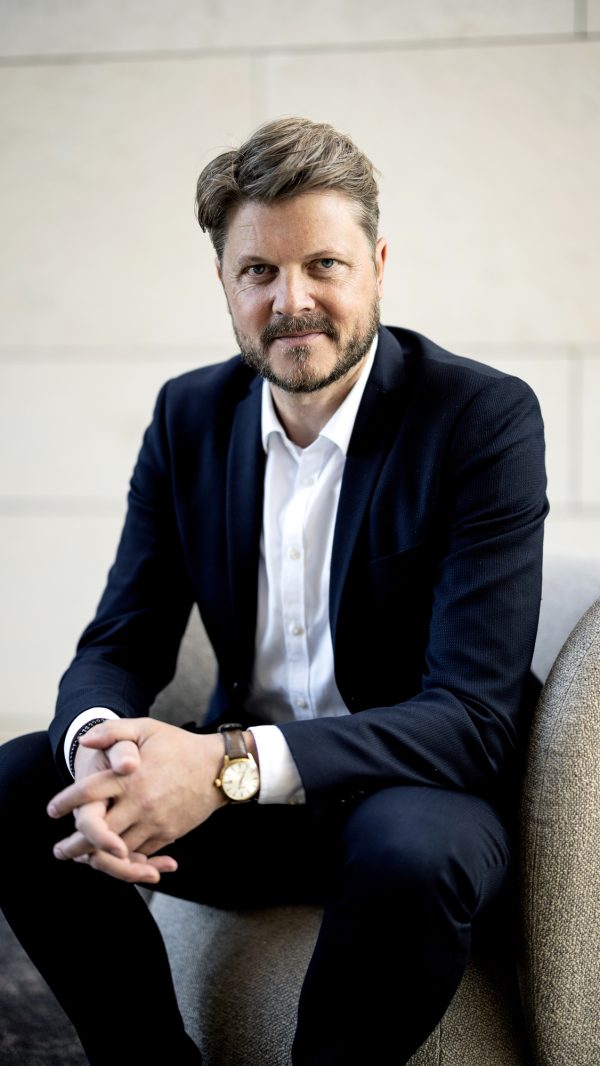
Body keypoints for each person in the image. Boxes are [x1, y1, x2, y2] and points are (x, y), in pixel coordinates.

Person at [0, 116, 548, 1065]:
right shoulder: (188, 415)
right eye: (258, 271)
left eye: (324, 265)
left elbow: (473, 719)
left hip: (406, 793)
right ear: (224, 283)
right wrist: (95, 744)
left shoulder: (479, 417)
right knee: (21, 785)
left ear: (379, 265)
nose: (292, 302)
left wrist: (223, 764)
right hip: (247, 816)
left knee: (413, 850)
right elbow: (123, 636)